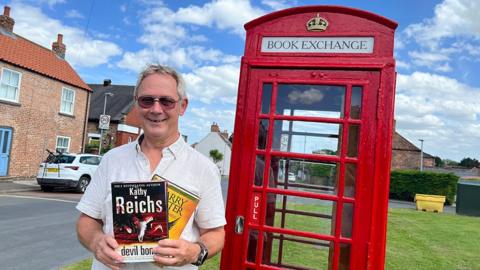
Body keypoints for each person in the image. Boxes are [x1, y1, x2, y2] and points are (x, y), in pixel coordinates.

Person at [76, 64, 226, 270]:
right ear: (137, 104)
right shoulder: (112, 159)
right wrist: (96, 242)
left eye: (167, 101)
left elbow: (216, 233)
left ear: (182, 106)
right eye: (147, 100)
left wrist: (194, 252)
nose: (156, 109)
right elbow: (87, 220)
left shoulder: (204, 168)